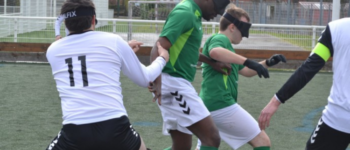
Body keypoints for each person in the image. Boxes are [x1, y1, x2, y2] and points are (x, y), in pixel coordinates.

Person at [45, 0, 169, 150]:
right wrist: (162, 59)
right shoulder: (113, 41)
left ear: (65, 23)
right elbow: (145, 78)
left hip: (75, 130)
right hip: (114, 126)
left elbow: (83, 57)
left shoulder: (53, 50)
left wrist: (119, 51)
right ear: (92, 19)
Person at [195, 4, 287, 150]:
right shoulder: (220, 39)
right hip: (221, 103)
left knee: (207, 144)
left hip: (208, 103)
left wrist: (268, 62)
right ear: (232, 27)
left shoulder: (229, 49)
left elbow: (247, 71)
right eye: (243, 29)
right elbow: (214, 52)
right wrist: (248, 60)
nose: (245, 35)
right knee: (262, 141)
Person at [148, 0, 232, 149]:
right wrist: (157, 84)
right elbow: (159, 47)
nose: (219, 13)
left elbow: (187, 49)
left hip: (174, 83)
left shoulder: (194, 13)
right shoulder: (186, 12)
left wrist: (212, 62)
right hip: (173, 84)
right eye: (218, 7)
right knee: (212, 138)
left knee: (181, 147)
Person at [258, 18, 350, 150]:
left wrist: (276, 101)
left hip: (338, 117)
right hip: (338, 118)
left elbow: (309, 68)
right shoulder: (336, 29)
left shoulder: (337, 28)